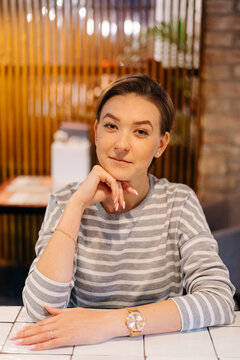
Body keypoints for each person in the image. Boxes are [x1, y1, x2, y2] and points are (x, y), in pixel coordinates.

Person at [12, 74, 235, 350]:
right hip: (83, 351)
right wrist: (77, 205)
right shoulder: (65, 202)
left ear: (161, 145)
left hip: (161, 349)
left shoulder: (179, 203)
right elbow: (40, 311)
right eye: (111, 126)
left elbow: (219, 299)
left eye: (140, 131)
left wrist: (108, 324)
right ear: (96, 131)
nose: (121, 144)